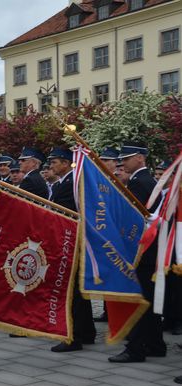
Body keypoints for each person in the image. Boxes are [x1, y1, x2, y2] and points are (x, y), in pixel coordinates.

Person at [109, 141, 165, 363]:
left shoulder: (140, 182)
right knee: (148, 302)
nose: (122, 162)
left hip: (142, 251)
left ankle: (136, 349)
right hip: (149, 252)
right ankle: (155, 344)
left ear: (140, 158)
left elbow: (133, 218)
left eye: (127, 158)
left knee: (138, 301)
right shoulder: (142, 180)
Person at [47, 148, 96, 352]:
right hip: (69, 242)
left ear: (66, 163)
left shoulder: (70, 185)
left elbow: (66, 214)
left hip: (71, 243)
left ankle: (74, 336)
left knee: (72, 292)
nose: (51, 166)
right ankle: (86, 332)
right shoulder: (64, 183)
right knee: (77, 291)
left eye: (55, 162)